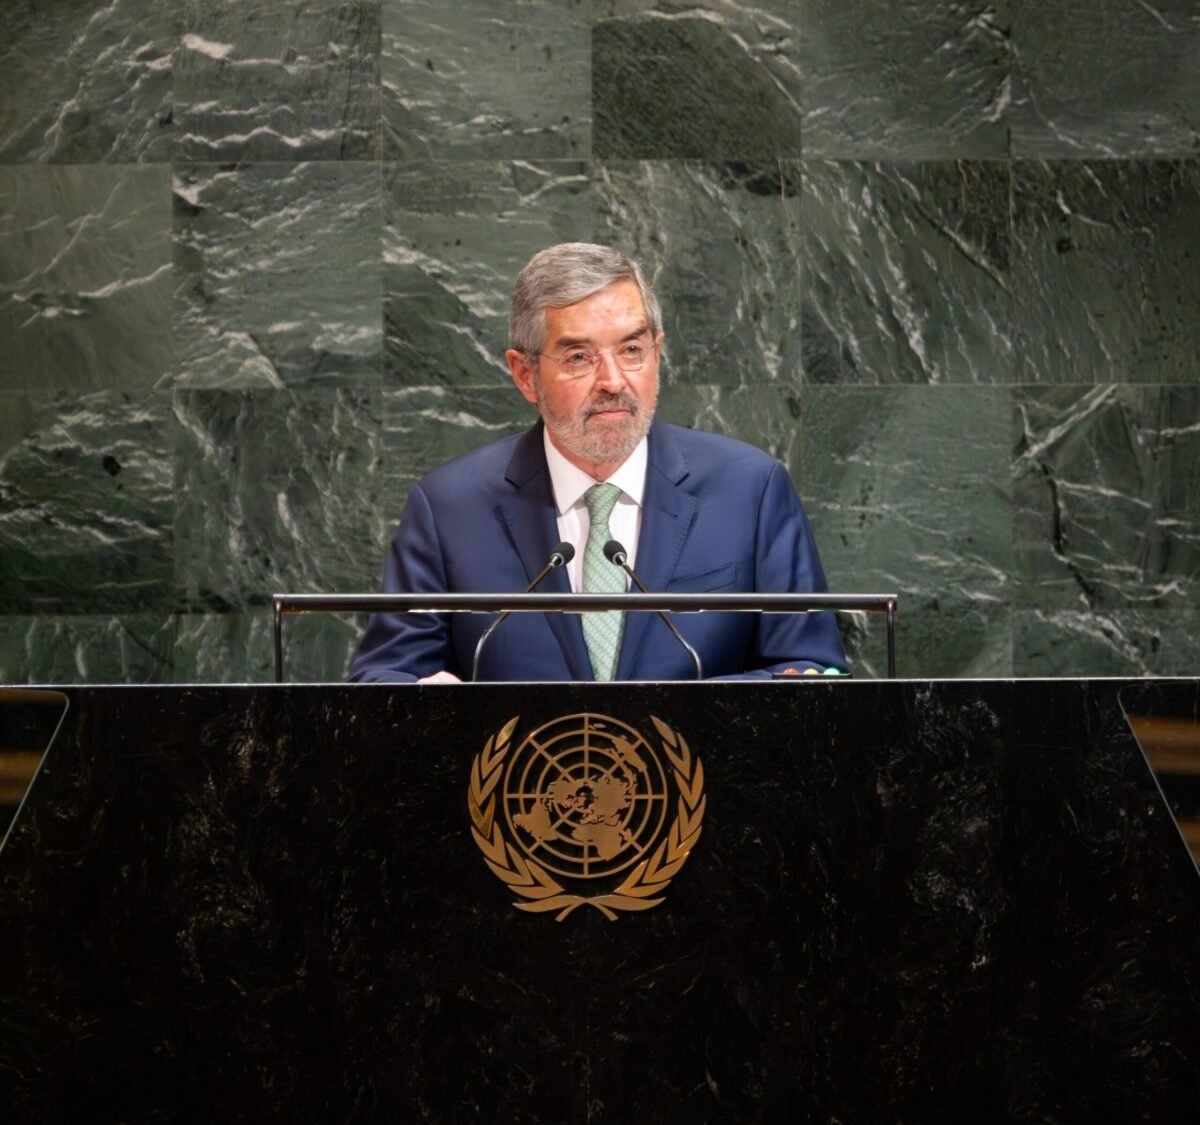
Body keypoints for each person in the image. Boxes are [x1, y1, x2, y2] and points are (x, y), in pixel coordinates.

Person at [349, 243, 847, 683]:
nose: (612, 380)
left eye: (632, 349)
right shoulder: (448, 508)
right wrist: (425, 700)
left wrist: (691, 717)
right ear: (525, 375)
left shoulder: (750, 490)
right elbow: (383, 676)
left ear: (658, 352)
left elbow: (811, 669)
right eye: (579, 358)